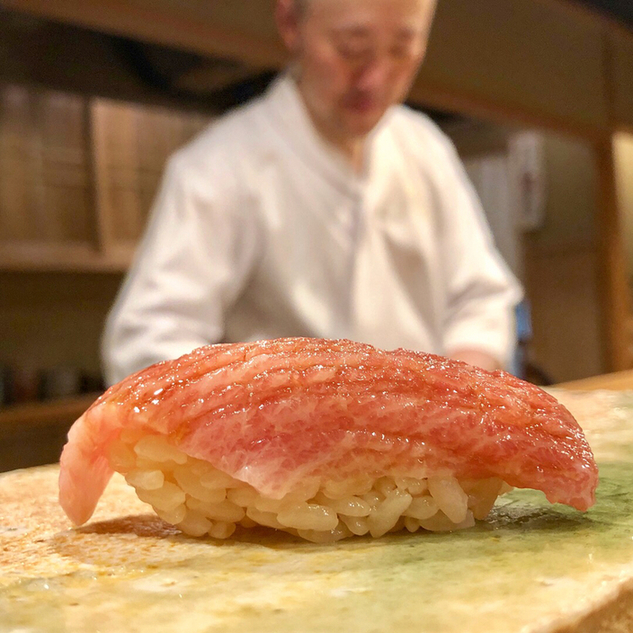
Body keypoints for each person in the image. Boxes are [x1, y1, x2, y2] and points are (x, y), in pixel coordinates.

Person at [102, 0, 522, 385]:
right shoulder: (217, 167)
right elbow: (146, 342)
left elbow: (480, 300)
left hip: (425, 433)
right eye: (351, 48)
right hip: (277, 436)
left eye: (401, 49)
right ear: (290, 22)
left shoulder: (426, 149)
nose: (375, 79)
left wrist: (455, 396)